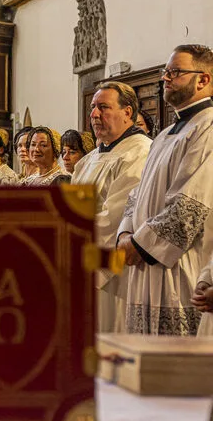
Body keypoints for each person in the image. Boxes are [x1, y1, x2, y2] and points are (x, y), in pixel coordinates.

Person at [116, 44, 213, 336]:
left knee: (177, 370)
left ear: (203, 80)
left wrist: (137, 245)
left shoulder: (207, 128)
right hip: (145, 263)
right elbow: (138, 193)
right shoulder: (162, 136)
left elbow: (190, 205)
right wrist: (124, 233)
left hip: (179, 267)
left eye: (175, 72)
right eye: (165, 72)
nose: (166, 79)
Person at [72, 81, 151, 334]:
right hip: (81, 258)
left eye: (103, 107)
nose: (94, 114)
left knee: (108, 337)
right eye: (93, 107)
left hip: (113, 272)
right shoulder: (88, 160)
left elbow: (116, 216)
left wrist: (70, 241)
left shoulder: (140, 152)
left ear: (128, 112)